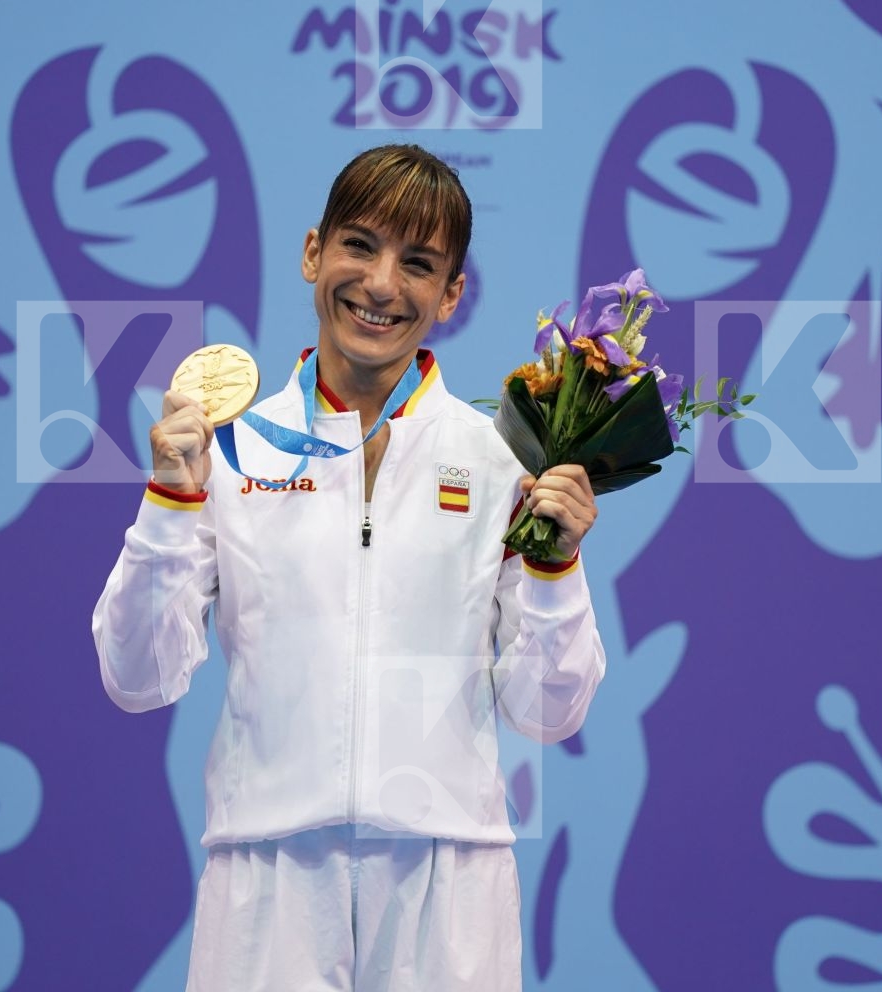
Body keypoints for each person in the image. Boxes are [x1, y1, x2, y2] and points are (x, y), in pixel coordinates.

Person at [91, 142, 607, 991]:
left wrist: (558, 567)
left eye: (418, 264)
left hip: (450, 880)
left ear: (451, 294)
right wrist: (169, 505)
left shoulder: (501, 464)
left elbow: (548, 713)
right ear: (312, 253)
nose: (380, 284)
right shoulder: (231, 452)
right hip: (268, 875)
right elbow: (137, 678)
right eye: (359, 246)